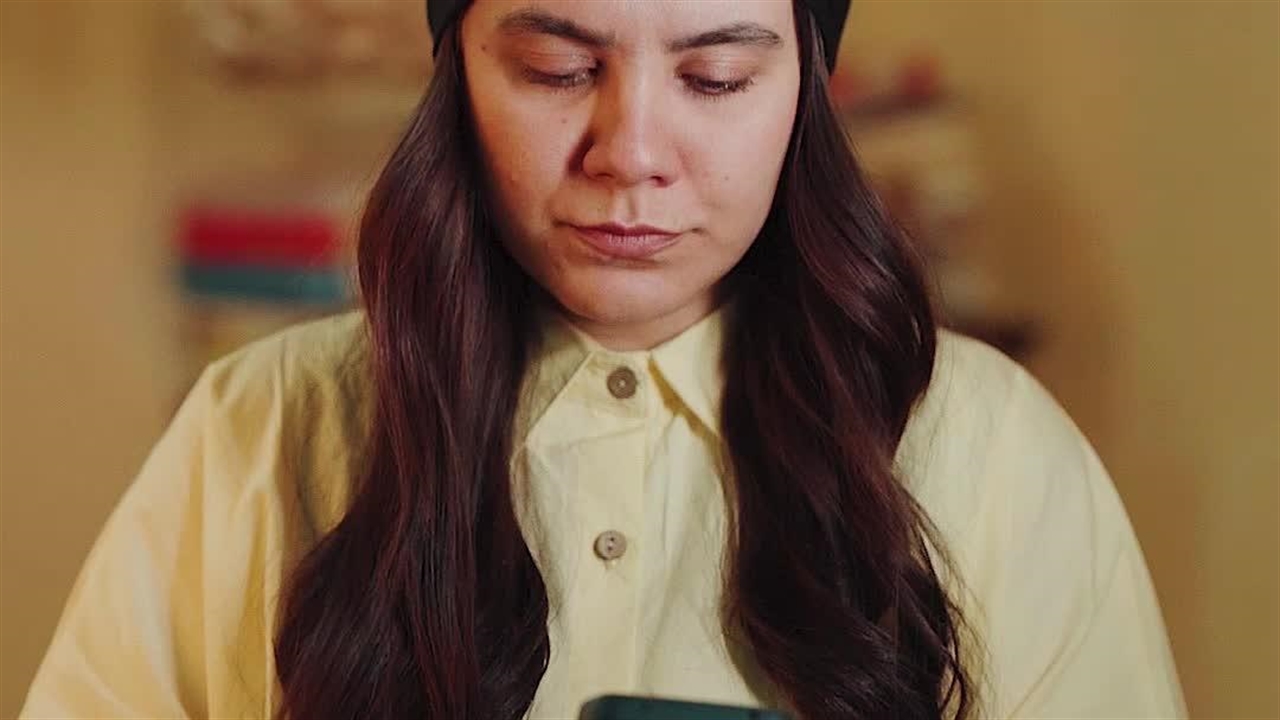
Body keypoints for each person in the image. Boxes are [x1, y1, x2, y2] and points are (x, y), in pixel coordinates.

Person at [21, 1, 1186, 719]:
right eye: (556, 68)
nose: (629, 153)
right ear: (456, 76)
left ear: (803, 93)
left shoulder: (985, 446)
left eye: (714, 79)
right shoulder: (263, 424)